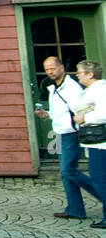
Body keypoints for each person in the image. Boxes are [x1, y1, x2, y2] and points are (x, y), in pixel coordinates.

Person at [34, 55, 100, 220]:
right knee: (66, 173)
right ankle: (75, 209)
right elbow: (61, 113)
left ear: (62, 68)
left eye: (52, 68)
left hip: (72, 133)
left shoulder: (71, 88)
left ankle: (102, 194)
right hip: (61, 132)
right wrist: (47, 114)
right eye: (47, 69)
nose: (50, 72)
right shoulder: (54, 87)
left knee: (68, 170)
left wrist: (80, 123)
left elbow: (83, 109)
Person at [70, 60, 106, 229]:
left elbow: (103, 114)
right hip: (95, 142)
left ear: (90, 74)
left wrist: (84, 118)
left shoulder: (100, 89)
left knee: (100, 179)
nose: (77, 75)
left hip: (100, 143)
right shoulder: (93, 90)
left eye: (80, 72)